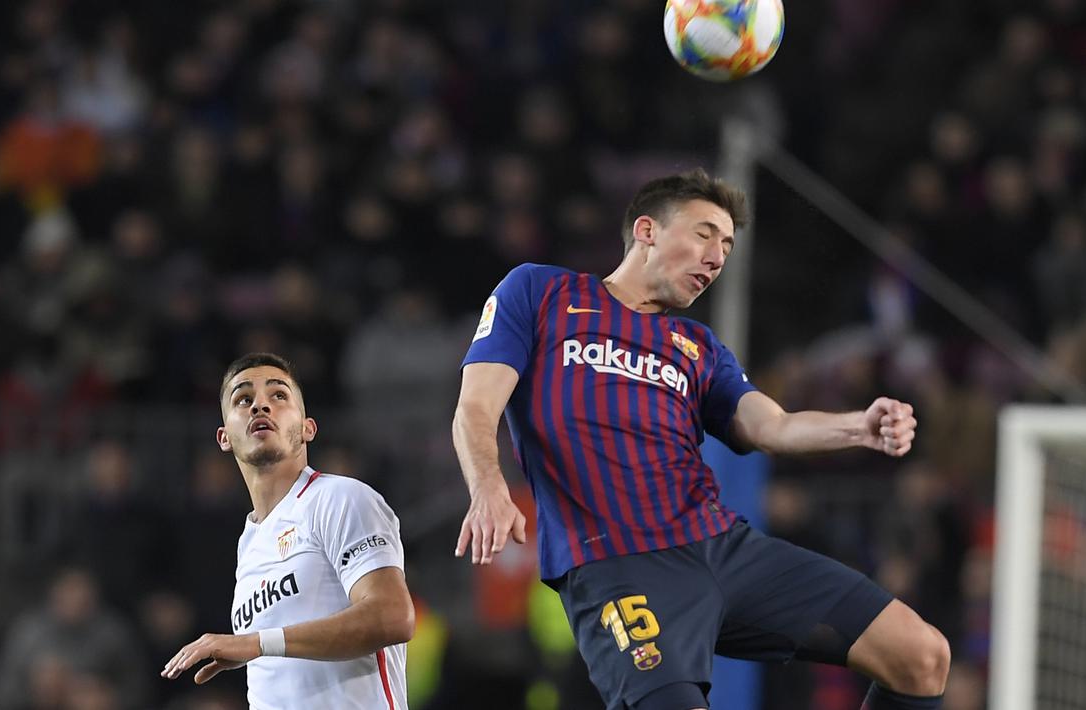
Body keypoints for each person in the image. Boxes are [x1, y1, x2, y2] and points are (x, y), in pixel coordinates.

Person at [453, 169, 949, 710]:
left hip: (722, 548)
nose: (718, 256)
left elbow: (772, 425)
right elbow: (477, 405)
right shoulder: (541, 292)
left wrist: (858, 426)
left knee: (921, 655)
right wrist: (488, 486)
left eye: (728, 244)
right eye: (705, 233)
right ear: (647, 230)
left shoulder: (697, 346)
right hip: (618, 566)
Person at [162, 352, 414, 709]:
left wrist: (257, 643)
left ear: (308, 427)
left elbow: (392, 616)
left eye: (278, 396)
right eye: (243, 399)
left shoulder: (339, 498)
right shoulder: (248, 544)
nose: (260, 405)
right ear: (224, 437)